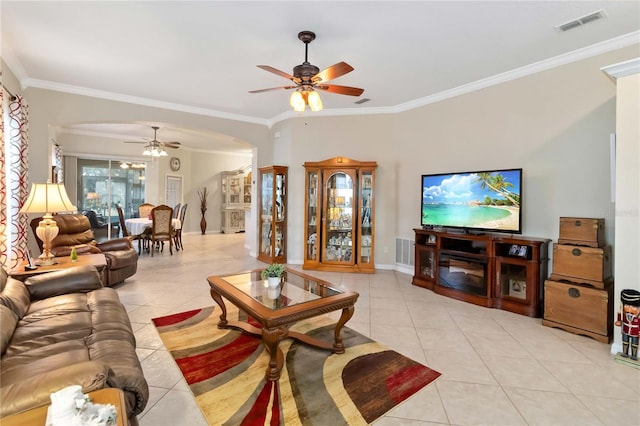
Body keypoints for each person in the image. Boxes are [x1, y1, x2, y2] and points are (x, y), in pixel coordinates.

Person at [615, 289, 640, 360]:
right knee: (625, 342)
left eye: (633, 307)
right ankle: (625, 353)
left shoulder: (637, 318)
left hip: (635, 332)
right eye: (627, 305)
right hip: (625, 330)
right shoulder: (624, 314)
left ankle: (634, 356)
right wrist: (619, 321)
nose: (630, 309)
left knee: (634, 344)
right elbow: (620, 317)